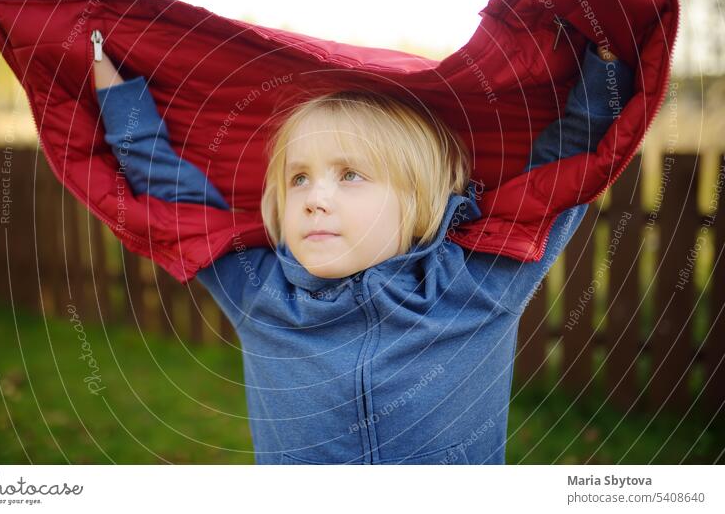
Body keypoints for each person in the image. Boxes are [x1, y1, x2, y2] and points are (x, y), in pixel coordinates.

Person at [93, 37, 633, 464]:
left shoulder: (480, 288)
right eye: (299, 178)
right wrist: (113, 90)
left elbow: (565, 166)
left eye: (350, 174)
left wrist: (605, 57)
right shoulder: (259, 294)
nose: (314, 199)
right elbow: (178, 197)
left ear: (418, 199)